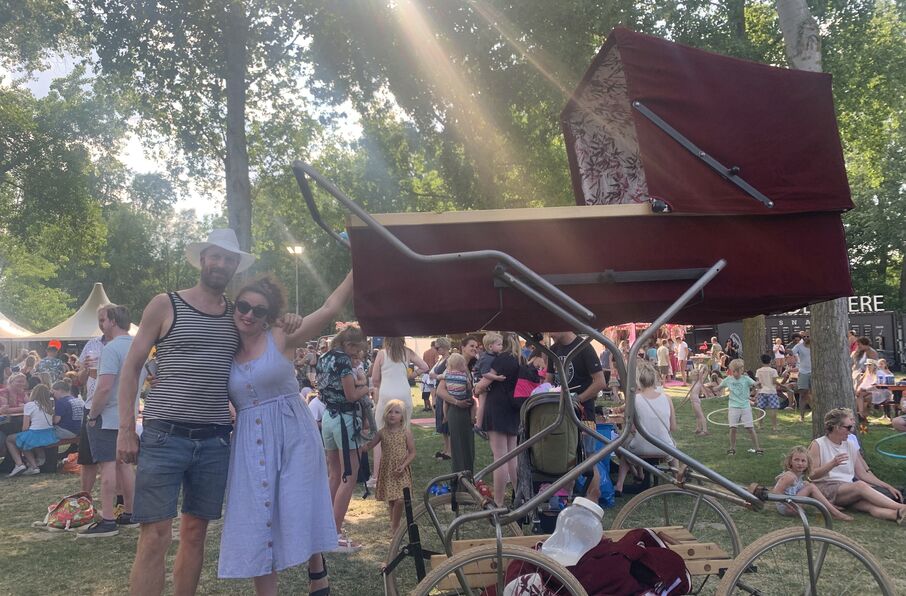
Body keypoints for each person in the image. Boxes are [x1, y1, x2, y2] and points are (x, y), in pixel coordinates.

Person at [116, 228, 258, 596]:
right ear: (203, 259)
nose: (221, 264)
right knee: (155, 534)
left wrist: (289, 320)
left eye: (229, 259)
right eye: (216, 256)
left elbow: (269, 340)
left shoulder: (237, 316)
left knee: (195, 533)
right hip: (164, 435)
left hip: (214, 440)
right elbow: (131, 367)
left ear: (235, 267)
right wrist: (126, 429)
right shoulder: (166, 304)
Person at [218, 273, 351, 595]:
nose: (249, 314)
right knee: (257, 517)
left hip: (294, 435)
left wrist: (357, 266)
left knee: (298, 501)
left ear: (269, 315)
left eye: (259, 310)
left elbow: (329, 308)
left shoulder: (280, 335)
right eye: (243, 306)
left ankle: (316, 567)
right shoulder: (224, 348)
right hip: (250, 443)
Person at [78, 304, 141, 537]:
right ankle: (130, 512)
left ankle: (107, 519)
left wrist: (93, 415)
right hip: (128, 415)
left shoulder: (111, 349)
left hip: (107, 417)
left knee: (107, 467)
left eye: (103, 320)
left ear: (113, 321)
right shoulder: (138, 345)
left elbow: (104, 387)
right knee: (125, 465)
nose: (101, 325)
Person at [316, 325, 370, 552]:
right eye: (356, 349)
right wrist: (366, 388)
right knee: (349, 475)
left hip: (328, 417)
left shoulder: (324, 357)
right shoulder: (343, 361)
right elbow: (351, 395)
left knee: (334, 474)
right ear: (348, 344)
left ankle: (325, 527)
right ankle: (335, 532)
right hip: (345, 420)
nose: (357, 353)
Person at [808, 408, 906, 522]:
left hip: (846, 489)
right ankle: (901, 507)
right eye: (848, 427)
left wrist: (887, 486)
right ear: (836, 427)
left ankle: (896, 515)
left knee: (869, 505)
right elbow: (811, 475)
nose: (851, 431)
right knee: (860, 486)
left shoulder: (850, 444)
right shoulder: (818, 444)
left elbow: (862, 474)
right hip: (825, 488)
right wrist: (831, 464)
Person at [369, 337, 428, 487]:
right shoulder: (407, 352)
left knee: (380, 434)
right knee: (404, 432)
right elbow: (425, 366)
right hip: (404, 394)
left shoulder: (382, 353)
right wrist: (411, 375)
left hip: (386, 394)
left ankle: (377, 476)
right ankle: (402, 470)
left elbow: (375, 379)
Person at [615, 361, 676, 496]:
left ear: (637, 380)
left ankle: (619, 485)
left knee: (624, 449)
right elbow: (673, 427)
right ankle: (677, 477)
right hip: (664, 447)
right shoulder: (667, 398)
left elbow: (631, 429)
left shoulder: (634, 400)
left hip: (640, 447)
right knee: (673, 446)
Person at [475, 333, 523, 506]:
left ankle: (499, 501)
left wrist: (476, 389)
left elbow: (483, 384)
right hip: (513, 408)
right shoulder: (519, 359)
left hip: (497, 407)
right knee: (512, 455)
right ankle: (519, 496)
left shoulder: (501, 359)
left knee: (500, 457)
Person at [363, 399, 415, 536]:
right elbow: (369, 446)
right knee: (392, 500)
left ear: (402, 416)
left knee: (400, 499)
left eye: (397, 412)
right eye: (390, 412)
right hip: (388, 470)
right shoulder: (382, 433)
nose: (392, 415)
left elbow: (412, 452)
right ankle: (393, 525)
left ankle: (395, 525)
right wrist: (361, 441)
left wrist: (404, 465)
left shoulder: (406, 432)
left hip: (401, 470)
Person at [434, 337, 480, 473]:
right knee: (459, 446)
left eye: (476, 346)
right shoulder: (453, 365)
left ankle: (468, 476)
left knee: (468, 446)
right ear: (463, 347)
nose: (475, 348)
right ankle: (460, 478)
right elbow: (440, 390)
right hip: (456, 409)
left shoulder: (472, 364)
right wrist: (456, 402)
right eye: (471, 345)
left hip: (467, 409)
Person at [771, 446, 852, 521]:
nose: (800, 463)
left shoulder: (798, 476)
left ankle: (829, 506)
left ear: (807, 464)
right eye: (796, 460)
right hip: (787, 508)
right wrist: (790, 505)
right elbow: (776, 492)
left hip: (793, 504)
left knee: (806, 484)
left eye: (803, 461)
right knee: (811, 487)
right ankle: (835, 513)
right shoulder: (790, 476)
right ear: (790, 462)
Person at [547, 331, 605, 421]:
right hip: (559, 413)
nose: (549, 334)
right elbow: (548, 380)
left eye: (551, 329)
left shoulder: (584, 347)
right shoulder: (553, 349)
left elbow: (600, 382)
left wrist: (577, 399)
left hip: (583, 413)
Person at [5, 384, 57, 476]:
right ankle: (36, 462)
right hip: (49, 434)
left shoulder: (29, 405)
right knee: (24, 439)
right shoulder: (50, 404)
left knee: (12, 439)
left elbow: (25, 427)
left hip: (36, 434)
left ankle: (20, 464)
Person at [719, 359, 762, 456]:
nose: (735, 373)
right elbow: (718, 387)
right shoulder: (728, 379)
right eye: (733, 371)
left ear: (742, 370)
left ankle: (757, 448)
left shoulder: (746, 379)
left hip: (745, 407)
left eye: (737, 371)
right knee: (733, 428)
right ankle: (732, 448)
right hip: (733, 407)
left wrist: (758, 384)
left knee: (750, 428)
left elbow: (755, 384)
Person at [473, 332, 505, 437]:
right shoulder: (487, 358)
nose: (501, 346)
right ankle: (478, 426)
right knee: (482, 403)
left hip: (481, 379)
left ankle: (480, 425)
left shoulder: (492, 356)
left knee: (484, 403)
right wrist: (497, 378)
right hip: (479, 380)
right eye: (499, 344)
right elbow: (485, 374)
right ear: (490, 346)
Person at [439, 353, 476, 427]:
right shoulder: (464, 375)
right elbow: (469, 387)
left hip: (451, 396)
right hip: (462, 397)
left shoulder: (447, 374)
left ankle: (445, 416)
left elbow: (440, 377)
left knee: (445, 402)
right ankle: (473, 418)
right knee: (474, 403)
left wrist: (437, 377)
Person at [0, 372, 28, 460]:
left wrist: (25, 407)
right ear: (11, 381)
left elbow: (30, 406)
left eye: (23, 382)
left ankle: (16, 461)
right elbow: (5, 410)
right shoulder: (4, 392)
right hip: (5, 422)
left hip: (17, 421)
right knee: (16, 431)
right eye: (18, 381)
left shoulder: (22, 393)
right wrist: (22, 408)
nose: (21, 384)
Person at [754, 354, 781, 433]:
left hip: (762, 391)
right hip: (772, 391)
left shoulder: (758, 370)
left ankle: (760, 425)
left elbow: (758, 382)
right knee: (773, 409)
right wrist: (782, 385)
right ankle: (774, 427)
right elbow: (774, 381)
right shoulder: (773, 371)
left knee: (761, 409)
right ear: (770, 361)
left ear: (762, 361)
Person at [791, 331, 812, 421]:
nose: (806, 338)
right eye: (804, 337)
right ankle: (802, 416)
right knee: (803, 394)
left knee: (814, 394)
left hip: (815, 373)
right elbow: (791, 352)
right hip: (803, 372)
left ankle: (816, 414)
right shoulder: (799, 346)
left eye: (808, 336)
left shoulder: (816, 345)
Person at [685, 367, 709, 435]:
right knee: (697, 415)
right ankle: (698, 428)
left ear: (697, 375)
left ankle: (705, 430)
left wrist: (703, 367)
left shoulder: (699, 381)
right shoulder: (693, 382)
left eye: (692, 375)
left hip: (696, 401)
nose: (691, 376)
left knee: (700, 415)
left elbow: (704, 372)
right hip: (692, 400)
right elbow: (692, 391)